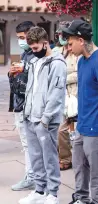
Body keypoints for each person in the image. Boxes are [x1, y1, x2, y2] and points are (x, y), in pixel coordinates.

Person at [19, 26, 67, 204]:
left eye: (36, 48)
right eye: (31, 48)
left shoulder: (57, 63)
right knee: (35, 156)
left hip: (45, 119)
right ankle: (39, 190)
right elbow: (31, 89)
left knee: (49, 157)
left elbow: (56, 93)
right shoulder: (34, 61)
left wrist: (46, 118)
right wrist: (26, 112)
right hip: (31, 116)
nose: (33, 51)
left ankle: (52, 193)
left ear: (45, 43)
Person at [62, 19, 98, 204]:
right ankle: (81, 199)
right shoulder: (82, 62)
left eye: (70, 43)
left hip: (95, 128)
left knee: (96, 172)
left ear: (81, 40)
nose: (68, 48)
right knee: (79, 166)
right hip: (82, 125)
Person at [9, 21, 36, 191]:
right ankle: (31, 175)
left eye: (22, 37)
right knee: (27, 143)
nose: (20, 41)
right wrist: (12, 73)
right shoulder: (25, 53)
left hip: (29, 105)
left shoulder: (36, 55)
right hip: (20, 102)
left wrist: (23, 70)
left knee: (30, 143)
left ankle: (32, 176)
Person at [53, 22, 79, 171]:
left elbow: (79, 73)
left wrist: (64, 78)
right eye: (59, 34)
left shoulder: (76, 53)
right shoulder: (57, 51)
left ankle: (66, 159)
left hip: (74, 95)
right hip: (61, 95)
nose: (61, 37)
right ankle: (64, 157)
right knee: (59, 129)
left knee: (69, 131)